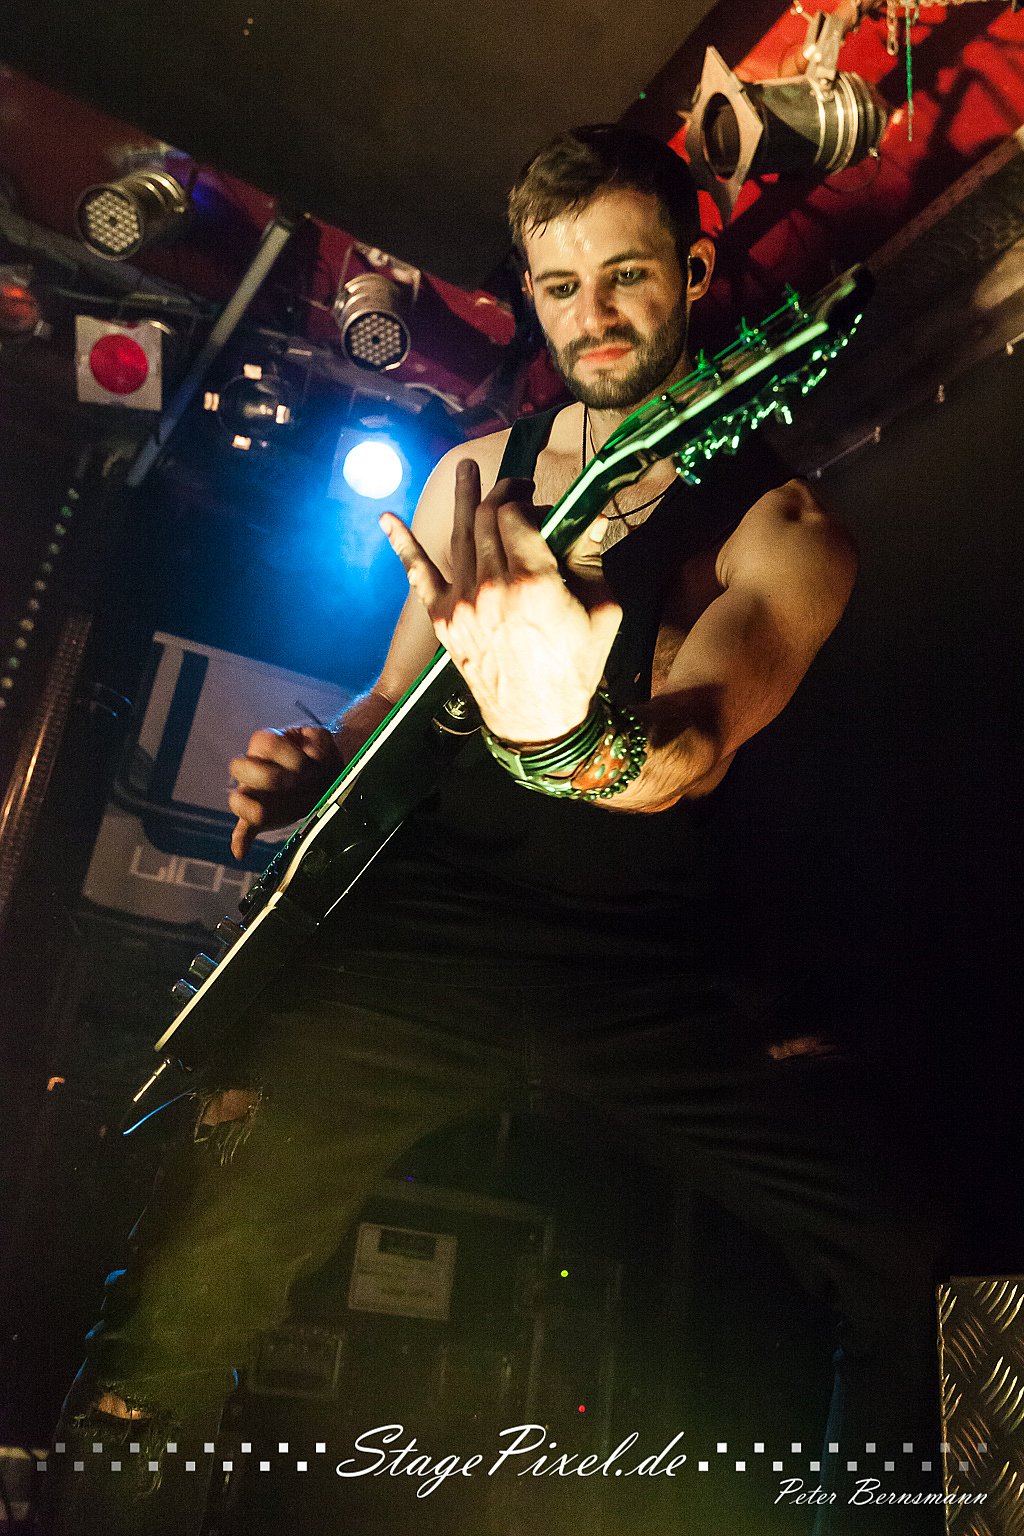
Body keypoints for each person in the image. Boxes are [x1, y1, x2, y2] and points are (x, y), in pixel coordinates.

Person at [47, 126, 943, 1535]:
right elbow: (390, 699)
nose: (595, 314)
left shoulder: (782, 521)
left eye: (627, 274)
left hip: (650, 967)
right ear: (528, 295)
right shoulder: (472, 473)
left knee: (913, 1254)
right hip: (425, 940)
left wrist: (566, 735)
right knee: (181, 1282)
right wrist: (313, 760)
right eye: (561, 286)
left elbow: (695, 747)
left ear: (694, 271)